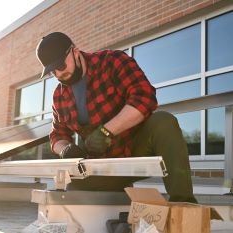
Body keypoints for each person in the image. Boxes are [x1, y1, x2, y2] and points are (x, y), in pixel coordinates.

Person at [35, 32, 197, 203]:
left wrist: (106, 132)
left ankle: (184, 204)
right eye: (53, 71)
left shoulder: (112, 61)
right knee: (72, 197)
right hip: (101, 166)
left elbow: (144, 97)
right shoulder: (59, 96)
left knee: (163, 121)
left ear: (75, 52)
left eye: (61, 65)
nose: (59, 74)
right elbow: (57, 136)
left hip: (135, 151)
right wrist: (65, 149)